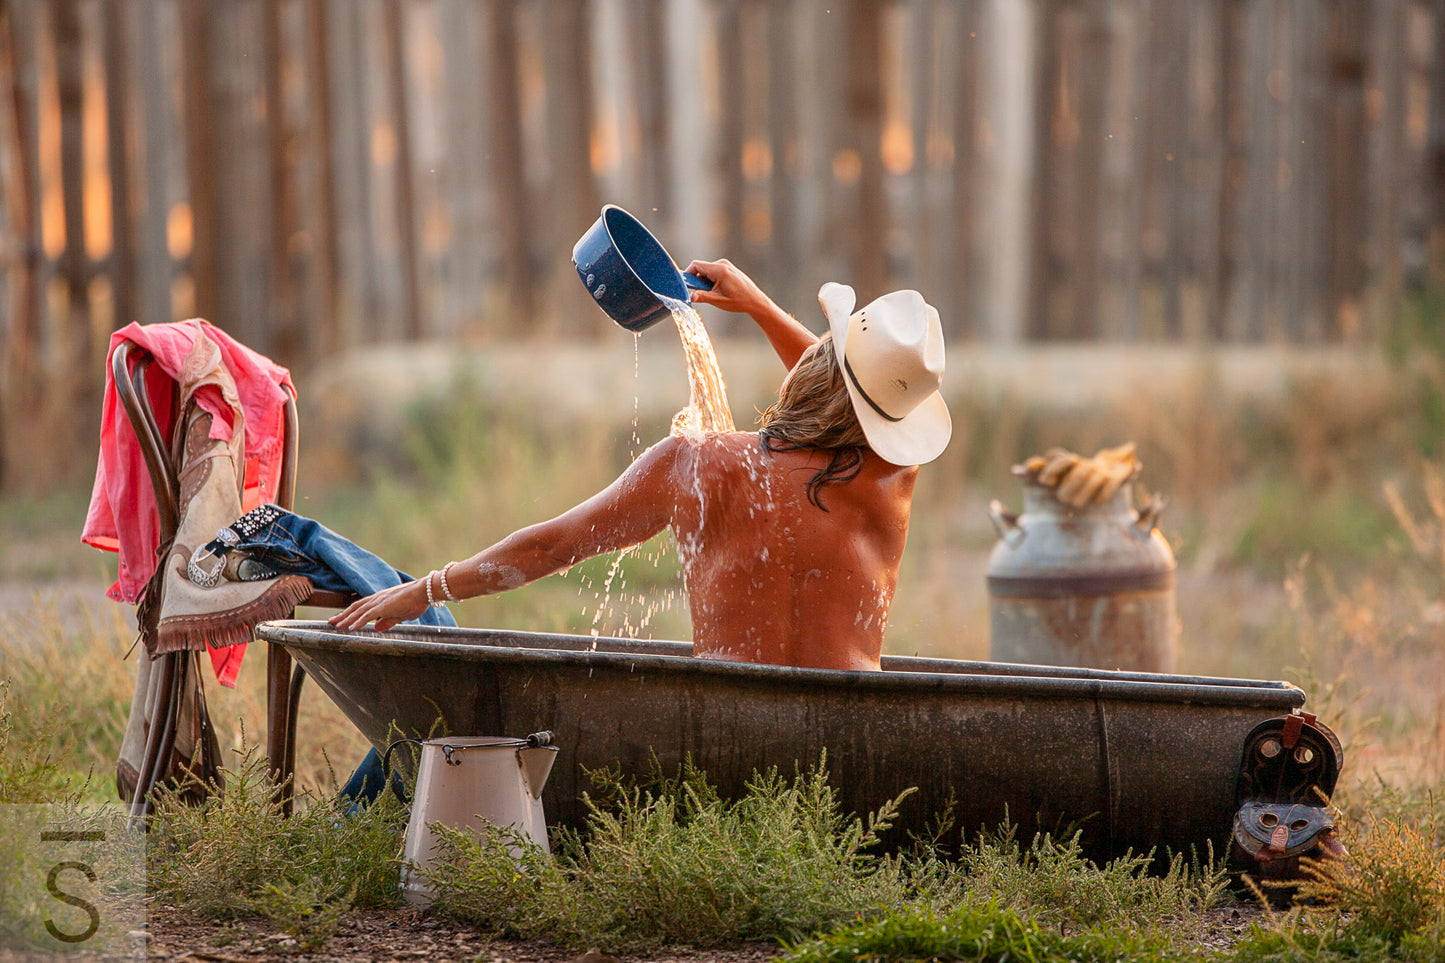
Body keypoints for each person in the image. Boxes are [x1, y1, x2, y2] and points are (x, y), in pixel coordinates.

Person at [330, 260, 951, 672]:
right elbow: (844, 403)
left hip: (730, 726)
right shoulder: (890, 481)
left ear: (817, 368)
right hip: (847, 743)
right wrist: (764, 310)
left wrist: (424, 590)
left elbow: (550, 547)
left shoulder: (695, 466)